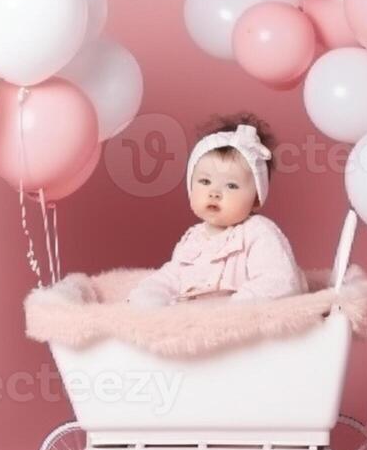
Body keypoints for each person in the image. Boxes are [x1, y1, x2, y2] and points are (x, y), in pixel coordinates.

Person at [126, 113, 307, 306]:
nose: (214, 193)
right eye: (205, 181)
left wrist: (232, 309)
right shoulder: (193, 238)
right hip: (198, 326)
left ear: (256, 199)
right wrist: (150, 294)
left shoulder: (258, 232)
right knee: (148, 298)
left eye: (231, 186)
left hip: (241, 322)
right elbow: (172, 275)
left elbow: (279, 281)